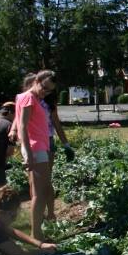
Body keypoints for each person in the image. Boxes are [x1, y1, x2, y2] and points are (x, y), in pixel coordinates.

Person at [15, 70, 56, 241]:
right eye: (44, 87)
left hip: (40, 148)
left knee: (43, 190)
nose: (45, 92)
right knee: (40, 193)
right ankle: (36, 233)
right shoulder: (28, 97)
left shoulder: (35, 98)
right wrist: (29, 153)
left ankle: (37, 230)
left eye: (49, 91)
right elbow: (23, 126)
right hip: (35, 149)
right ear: (37, 80)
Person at [0, 185, 56, 255]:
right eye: (13, 216)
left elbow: (12, 232)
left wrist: (40, 244)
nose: (15, 219)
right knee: (0, 243)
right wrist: (44, 250)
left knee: (0, 237)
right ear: (1, 213)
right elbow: (19, 254)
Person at [43, 90, 74, 221]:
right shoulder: (33, 101)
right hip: (41, 142)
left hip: (44, 142)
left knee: (42, 180)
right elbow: (57, 125)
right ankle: (45, 213)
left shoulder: (47, 104)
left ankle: (49, 213)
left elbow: (57, 124)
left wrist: (66, 145)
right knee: (42, 180)